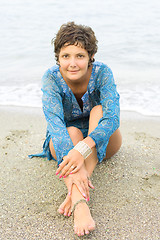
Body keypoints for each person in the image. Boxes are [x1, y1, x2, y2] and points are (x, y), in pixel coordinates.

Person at [29, 21, 122, 237]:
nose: (72, 63)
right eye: (65, 56)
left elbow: (113, 118)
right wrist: (75, 150)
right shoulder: (51, 78)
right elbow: (56, 126)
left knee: (99, 110)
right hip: (65, 144)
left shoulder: (103, 73)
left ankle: (74, 189)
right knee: (71, 132)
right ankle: (80, 202)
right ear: (58, 57)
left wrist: (84, 148)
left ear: (90, 56)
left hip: (102, 141)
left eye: (80, 55)